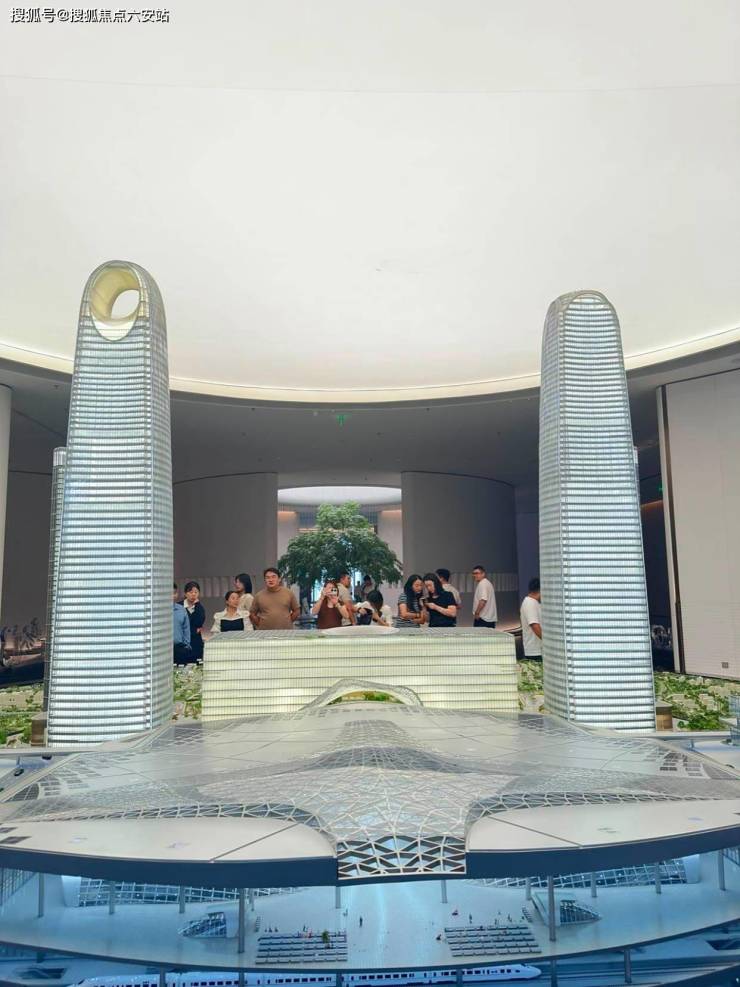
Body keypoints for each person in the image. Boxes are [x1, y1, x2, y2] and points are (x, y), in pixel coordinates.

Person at [183, 580, 206, 662]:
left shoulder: (199, 607)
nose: (193, 594)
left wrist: (197, 605)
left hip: (196, 642)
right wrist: (193, 630)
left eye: (196, 592)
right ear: (185, 594)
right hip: (182, 642)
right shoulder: (179, 606)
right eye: (190, 592)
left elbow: (199, 622)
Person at [520, 577, 542, 658]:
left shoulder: (534, 602)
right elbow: (535, 625)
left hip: (538, 649)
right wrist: (548, 642)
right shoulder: (530, 603)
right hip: (535, 651)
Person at [172, 583, 191, 663]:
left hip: (179, 648)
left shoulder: (181, 609)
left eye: (174, 593)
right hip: (161, 649)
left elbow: (186, 629)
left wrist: (186, 646)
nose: (172, 596)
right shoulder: (156, 610)